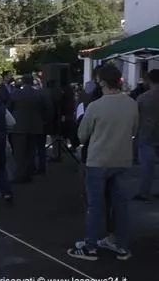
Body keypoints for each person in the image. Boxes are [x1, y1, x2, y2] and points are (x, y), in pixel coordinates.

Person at [67, 63, 137, 261]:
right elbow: (134, 130)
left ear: (102, 82)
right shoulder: (131, 103)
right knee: (120, 205)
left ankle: (90, 247)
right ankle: (119, 244)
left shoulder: (95, 106)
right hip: (122, 160)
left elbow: (82, 136)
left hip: (98, 161)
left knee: (95, 206)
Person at [8, 74, 49, 183]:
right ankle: (29, 173)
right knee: (31, 151)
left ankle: (20, 174)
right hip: (35, 127)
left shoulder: (16, 94)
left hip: (19, 127)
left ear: (23, 82)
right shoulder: (39, 94)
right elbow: (47, 110)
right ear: (32, 82)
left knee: (19, 152)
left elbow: (9, 108)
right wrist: (42, 121)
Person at [134, 69, 159, 201]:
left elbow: (134, 117)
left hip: (146, 135)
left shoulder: (143, 98)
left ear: (149, 80)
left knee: (147, 167)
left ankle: (144, 192)